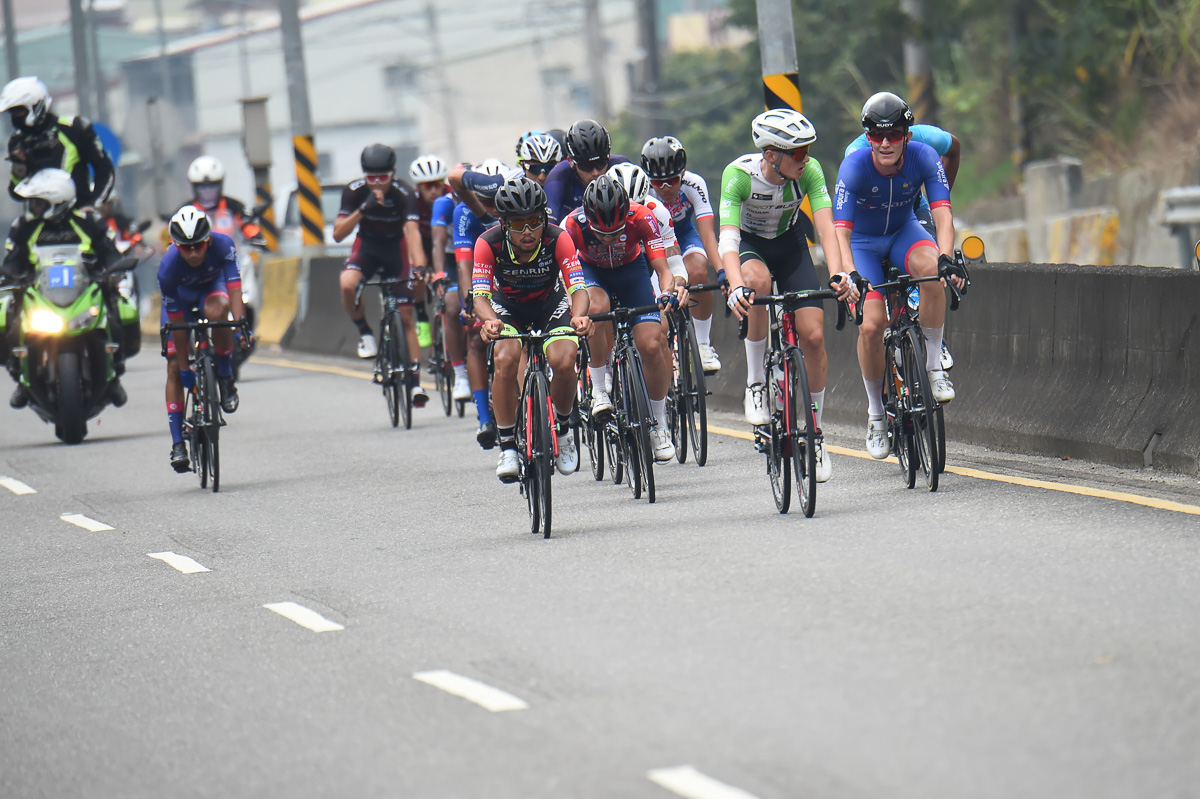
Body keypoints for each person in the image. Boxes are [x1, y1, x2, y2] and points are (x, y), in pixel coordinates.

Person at [720, 109, 858, 483]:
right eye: (797, 152)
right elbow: (729, 240)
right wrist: (735, 285)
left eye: (807, 150)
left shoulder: (809, 173)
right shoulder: (738, 177)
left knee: (813, 336)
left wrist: (839, 274)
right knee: (759, 283)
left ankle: (815, 432)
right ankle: (755, 383)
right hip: (752, 248)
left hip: (792, 245)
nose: (806, 158)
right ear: (770, 155)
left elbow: (827, 228)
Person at [831, 91, 965, 460]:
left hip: (904, 229)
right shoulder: (854, 165)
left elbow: (942, 214)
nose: (886, 142)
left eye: (894, 134)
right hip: (863, 243)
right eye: (877, 135)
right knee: (872, 326)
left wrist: (946, 258)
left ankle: (934, 366)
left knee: (932, 272)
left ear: (907, 133)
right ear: (867, 136)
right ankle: (876, 413)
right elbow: (840, 231)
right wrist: (852, 274)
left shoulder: (924, 154)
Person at [473, 177, 592, 482]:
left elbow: (578, 289)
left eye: (534, 222)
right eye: (518, 224)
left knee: (565, 360)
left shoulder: (558, 237)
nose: (527, 232)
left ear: (544, 218)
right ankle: (509, 446)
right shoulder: (488, 243)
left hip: (549, 303)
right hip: (508, 308)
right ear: (503, 223)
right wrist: (489, 321)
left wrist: (579, 317)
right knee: (505, 358)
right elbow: (481, 297)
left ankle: (563, 429)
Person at [564, 174, 687, 462]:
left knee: (652, 344)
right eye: (601, 233)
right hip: (591, 272)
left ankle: (658, 423)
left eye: (615, 231)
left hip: (632, 271)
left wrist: (667, 291)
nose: (608, 238)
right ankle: (599, 390)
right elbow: (568, 276)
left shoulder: (642, 217)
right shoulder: (572, 225)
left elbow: (663, 268)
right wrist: (576, 310)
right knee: (596, 307)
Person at [1, 169, 126, 409]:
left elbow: (110, 253)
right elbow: (13, 259)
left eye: (38, 202)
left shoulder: (89, 222)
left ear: (56, 202)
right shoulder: (25, 226)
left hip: (84, 291)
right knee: (8, 314)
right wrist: (12, 275)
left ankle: (115, 374)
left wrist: (113, 270)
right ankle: (19, 375)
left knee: (116, 307)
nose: (33, 207)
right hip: (40, 294)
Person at [333, 143, 429, 406]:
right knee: (347, 284)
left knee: (406, 315)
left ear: (393, 174)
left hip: (395, 250)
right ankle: (365, 333)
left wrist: (419, 267)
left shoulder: (403, 193)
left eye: (383, 178)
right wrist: (363, 210)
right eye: (371, 178)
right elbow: (338, 233)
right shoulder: (354, 192)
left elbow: (413, 233)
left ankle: (415, 382)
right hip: (368, 248)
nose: (377, 184)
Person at [158, 206, 250, 472]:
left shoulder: (223, 245)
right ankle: (177, 444)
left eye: (199, 245)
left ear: (208, 239)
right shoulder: (168, 267)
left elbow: (234, 289)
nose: (194, 252)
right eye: (186, 248)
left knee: (220, 313)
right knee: (175, 364)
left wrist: (241, 326)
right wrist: (186, 367)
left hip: (212, 290)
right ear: (176, 245)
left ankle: (224, 375)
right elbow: (176, 322)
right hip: (181, 300)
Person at [641, 136, 725, 374]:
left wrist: (721, 271)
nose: (666, 188)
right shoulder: (641, 189)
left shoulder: (694, 184)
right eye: (658, 183)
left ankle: (702, 343)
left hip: (684, 235)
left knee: (698, 270)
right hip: (653, 242)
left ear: (683, 173)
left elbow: (708, 235)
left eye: (672, 180)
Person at [449, 161, 508, 446]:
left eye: (494, 202)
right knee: (475, 338)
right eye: (484, 202)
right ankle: (485, 417)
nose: (491, 208)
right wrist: (470, 303)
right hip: (479, 272)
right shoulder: (464, 213)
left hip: (508, 276)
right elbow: (465, 266)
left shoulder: (514, 205)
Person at [1, 76, 114, 209]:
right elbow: (17, 195)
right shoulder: (17, 142)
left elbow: (104, 170)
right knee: (17, 229)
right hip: (40, 220)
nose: (15, 117)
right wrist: (18, 168)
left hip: (77, 214)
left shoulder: (74, 128)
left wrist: (92, 206)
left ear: (36, 105)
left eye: (19, 111)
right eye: (12, 113)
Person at [543, 119, 630, 224]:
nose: (595, 173)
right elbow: (549, 227)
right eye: (586, 166)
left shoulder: (621, 167)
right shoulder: (559, 175)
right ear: (571, 162)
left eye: (601, 163)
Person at [408, 154, 453, 350]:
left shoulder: (453, 196)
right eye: (428, 186)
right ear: (418, 188)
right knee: (417, 275)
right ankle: (421, 315)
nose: (434, 190)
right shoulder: (412, 202)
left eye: (437, 184)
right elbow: (411, 234)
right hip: (422, 243)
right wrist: (421, 266)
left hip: (447, 244)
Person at [184, 155, 263, 244]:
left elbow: (245, 223)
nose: (207, 191)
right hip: (198, 255)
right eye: (202, 187)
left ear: (220, 185)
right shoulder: (186, 211)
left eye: (213, 186)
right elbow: (175, 234)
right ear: (194, 187)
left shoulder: (234, 206)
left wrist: (254, 235)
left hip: (232, 254)